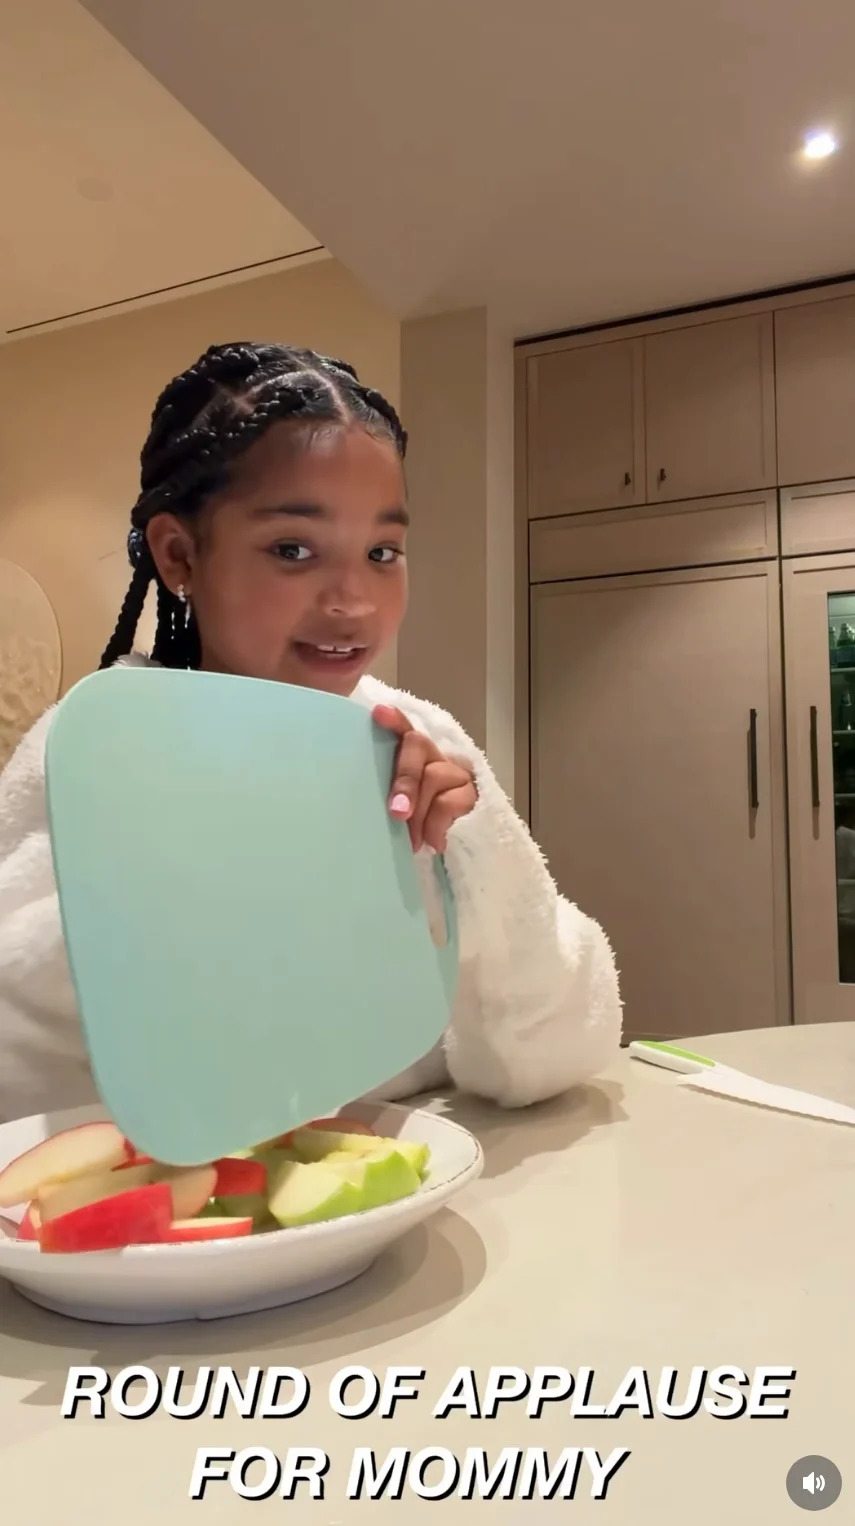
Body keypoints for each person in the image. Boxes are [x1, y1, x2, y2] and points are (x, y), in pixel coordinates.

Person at [0, 342, 621, 1124]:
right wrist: (210, 859)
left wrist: (463, 853)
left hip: (416, 1191)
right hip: (168, 1225)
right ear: (180, 553)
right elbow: (21, 1074)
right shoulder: (95, 751)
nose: (355, 601)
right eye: (293, 549)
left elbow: (561, 1048)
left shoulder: (418, 743)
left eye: (382, 551)